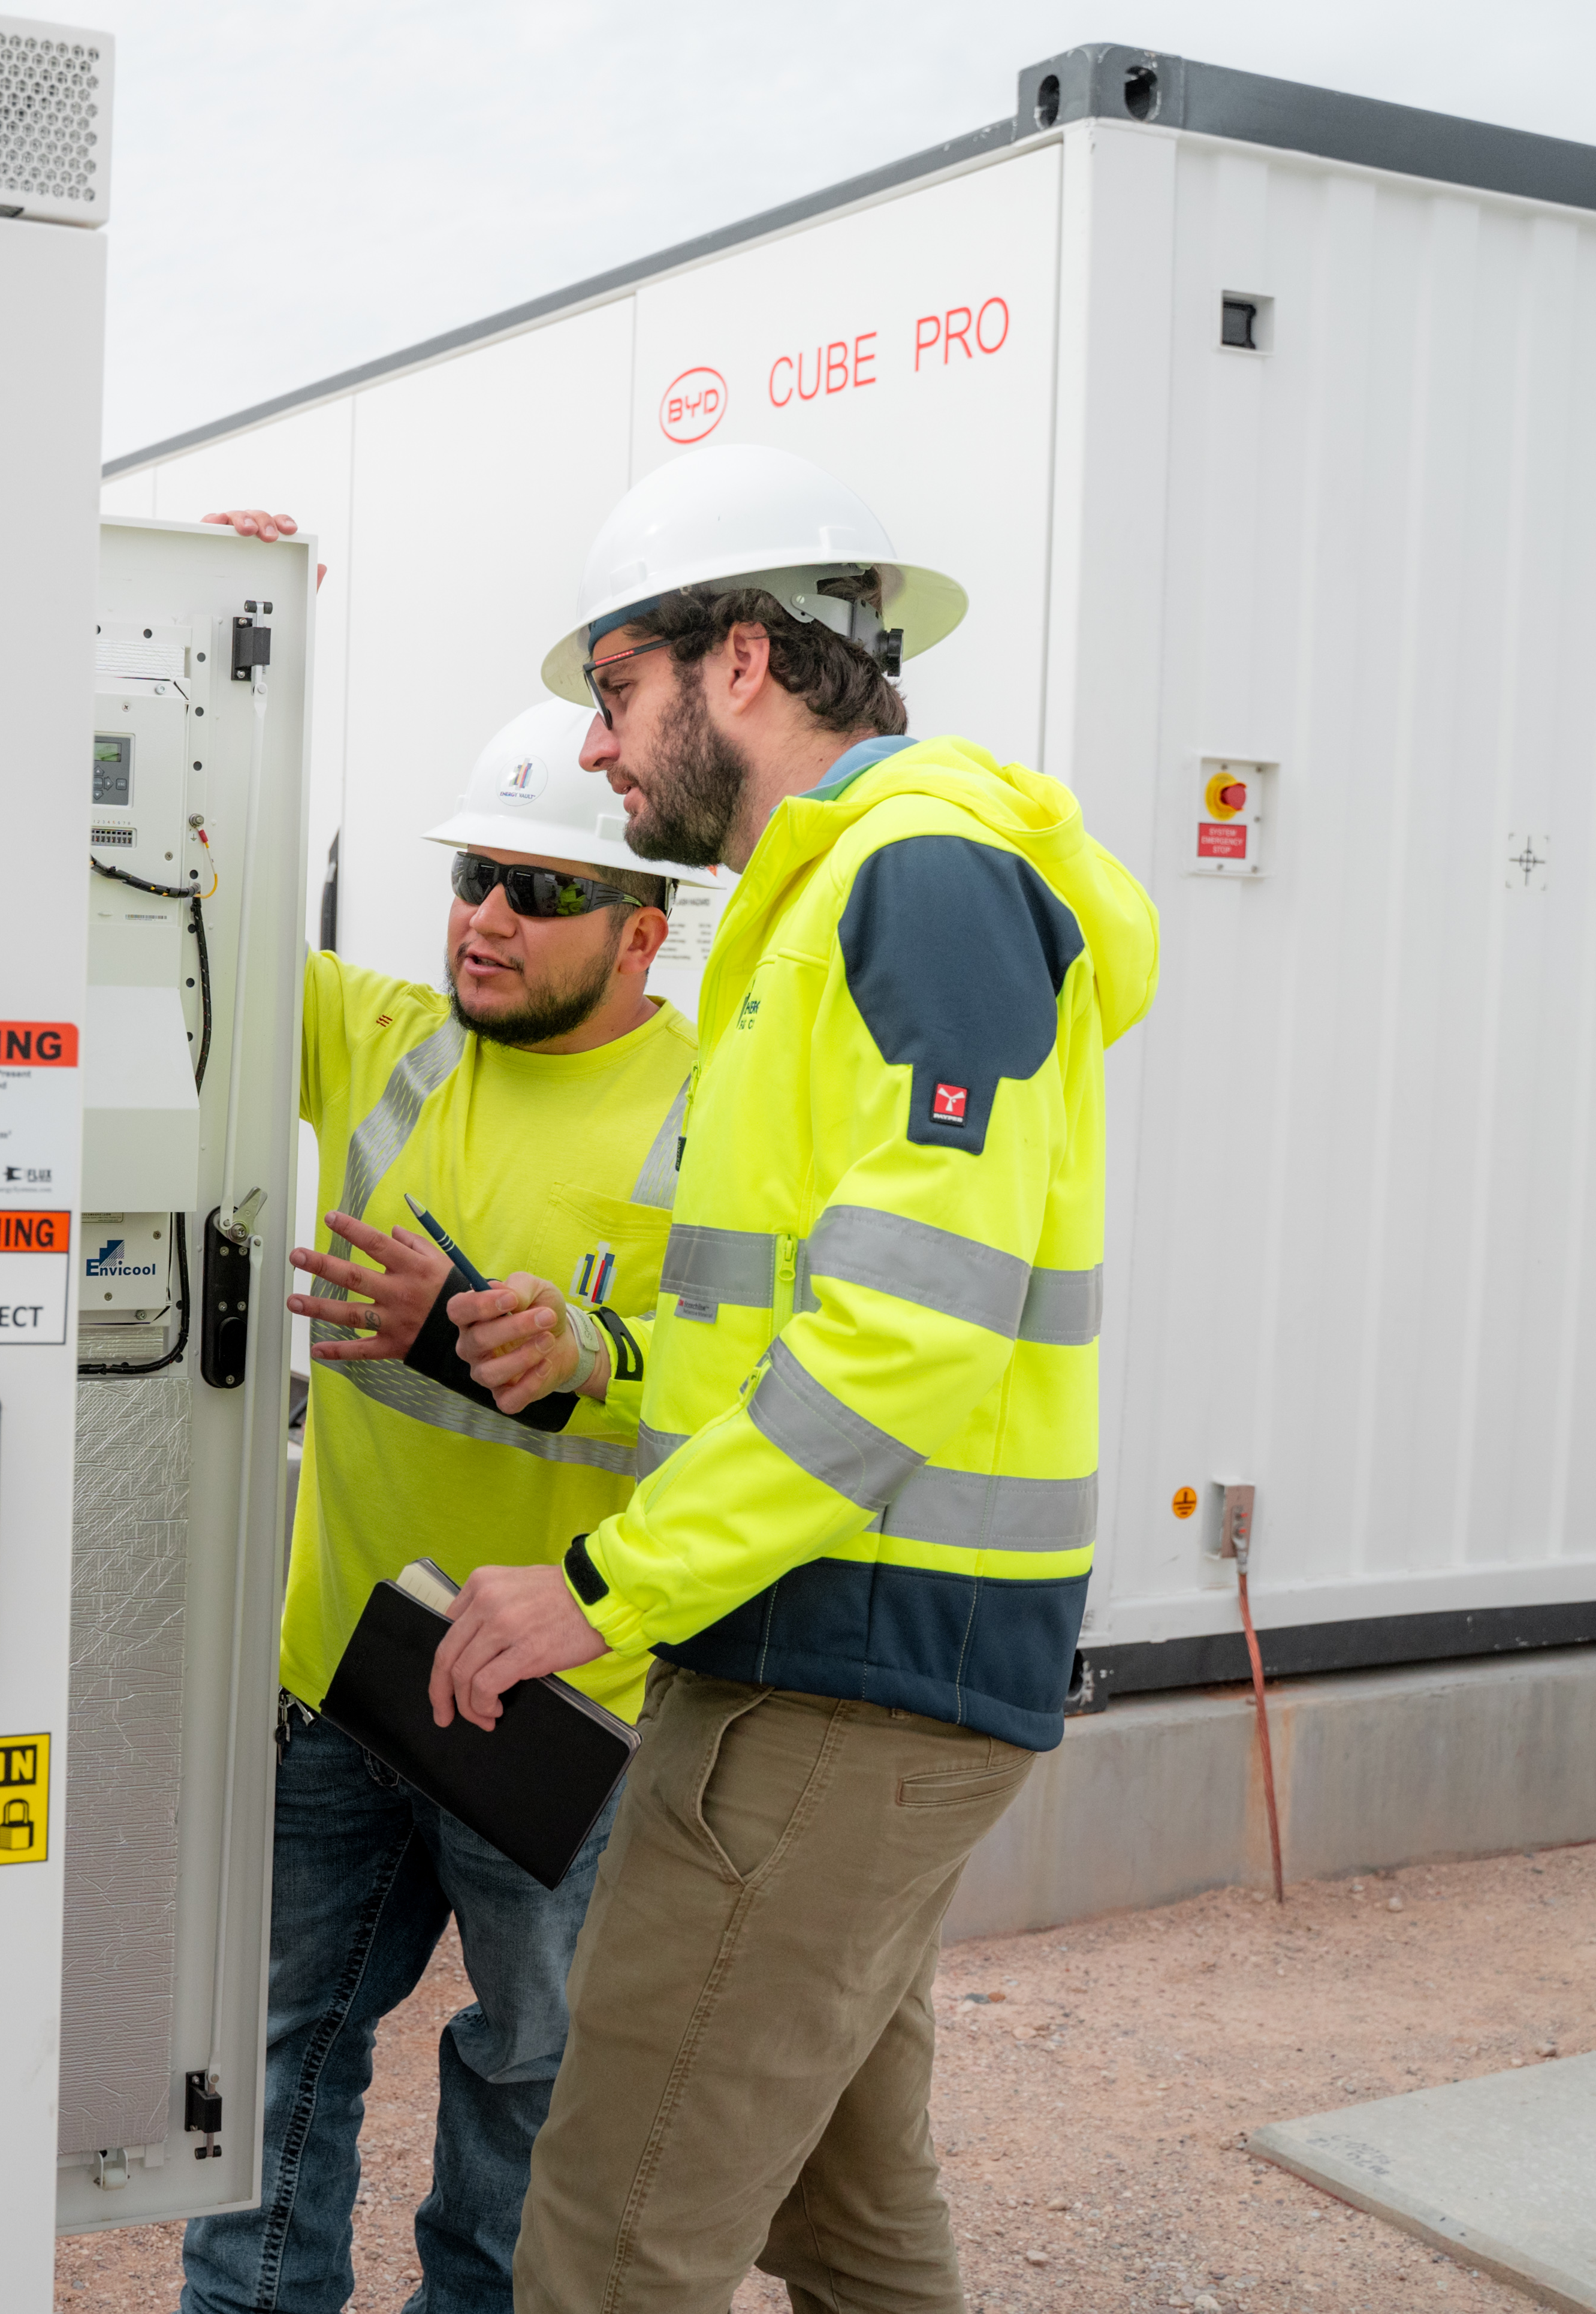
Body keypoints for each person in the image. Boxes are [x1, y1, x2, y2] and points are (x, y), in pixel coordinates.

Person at [422, 444, 1161, 2314]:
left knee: (609, 2244)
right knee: (845, 2215)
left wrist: (601, 1585)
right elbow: (791, 1321)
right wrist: (602, 1354)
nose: (596, 747)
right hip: (837, 1646)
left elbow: (913, 1331)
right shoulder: (825, 901)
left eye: (615, 688)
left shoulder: (918, 881)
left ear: (739, 660)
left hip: (842, 1662)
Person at [178, 676, 698, 2314]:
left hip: (556, 1710)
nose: (487, 916)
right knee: (278, 2044)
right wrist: (221, 657)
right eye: (474, 875)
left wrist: (582, 1350)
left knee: (527, 2075)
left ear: (642, 934)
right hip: (345, 1673)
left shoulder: (711, 1119)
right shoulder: (388, 1041)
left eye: (540, 887)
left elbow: (765, 1387)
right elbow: (189, 900)